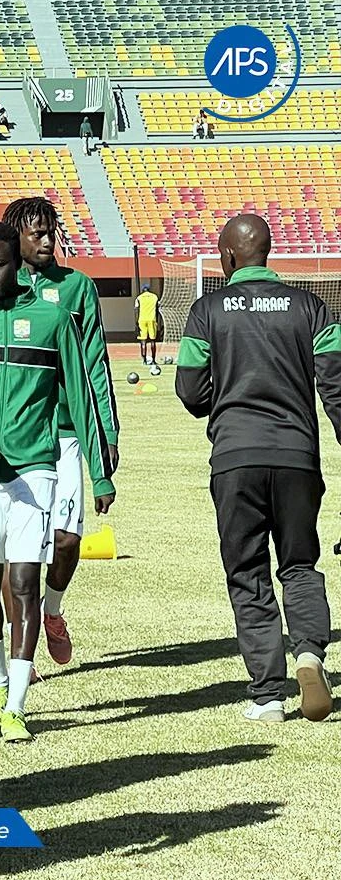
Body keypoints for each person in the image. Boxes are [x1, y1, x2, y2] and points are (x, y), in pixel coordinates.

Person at [0, 223, 115, 743]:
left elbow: (82, 397)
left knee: (24, 583)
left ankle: (16, 703)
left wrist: (100, 472)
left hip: (35, 472)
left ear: (17, 262)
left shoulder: (53, 319)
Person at [176, 214, 338, 723]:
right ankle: (310, 653)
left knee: (248, 573)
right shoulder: (311, 307)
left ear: (225, 257)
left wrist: (219, 395)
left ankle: (269, 695)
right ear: (268, 252)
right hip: (296, 457)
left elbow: (189, 391)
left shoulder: (206, 311)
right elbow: (336, 388)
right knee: (300, 565)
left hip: (235, 459)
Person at [1, 198, 119, 665]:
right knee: (19, 551)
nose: (48, 241)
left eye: (52, 232)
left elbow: (95, 368)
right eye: (37, 233)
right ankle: (18, 653)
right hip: (18, 440)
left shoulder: (78, 288)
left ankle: (52, 610)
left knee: (67, 539)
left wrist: (105, 443)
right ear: (17, 238)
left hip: (68, 435)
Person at [136, 284, 160, 364]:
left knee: (143, 341)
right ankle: (153, 360)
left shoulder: (139, 298)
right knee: (153, 340)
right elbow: (157, 310)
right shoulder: (155, 297)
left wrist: (136, 321)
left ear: (143, 290)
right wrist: (157, 321)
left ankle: (144, 360)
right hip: (152, 319)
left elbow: (136, 310)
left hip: (142, 320)